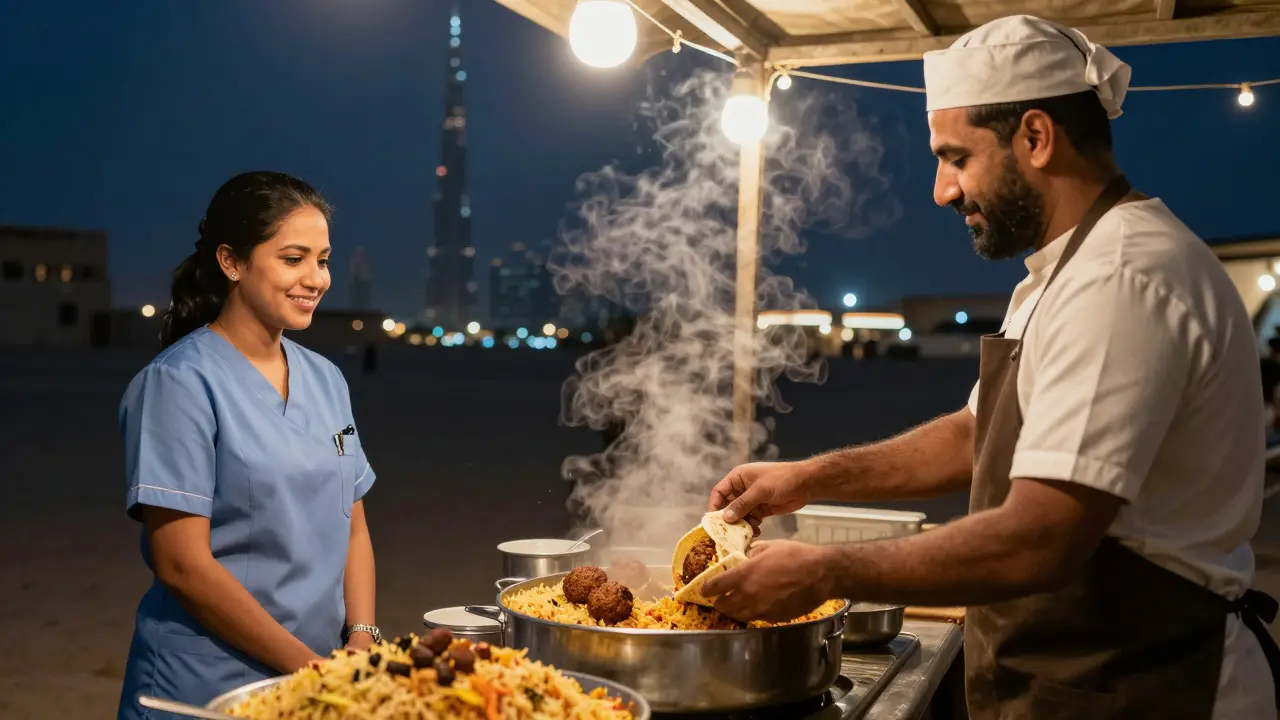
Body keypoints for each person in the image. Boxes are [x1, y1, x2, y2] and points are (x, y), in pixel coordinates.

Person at [704, 15, 1279, 719]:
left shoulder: (1122, 277)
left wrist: (826, 569)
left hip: (1154, 687)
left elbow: (1041, 538)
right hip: (1082, 679)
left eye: (955, 158)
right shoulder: (1063, 273)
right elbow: (976, 435)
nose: (942, 191)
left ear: (1035, 137)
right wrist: (805, 479)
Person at [117, 172, 379, 718]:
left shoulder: (326, 378)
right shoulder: (179, 383)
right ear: (231, 262)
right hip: (208, 685)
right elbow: (181, 564)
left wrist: (361, 636)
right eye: (293, 259)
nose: (316, 278)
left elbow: (352, 524)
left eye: (323, 260)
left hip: (321, 675)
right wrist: (313, 669)